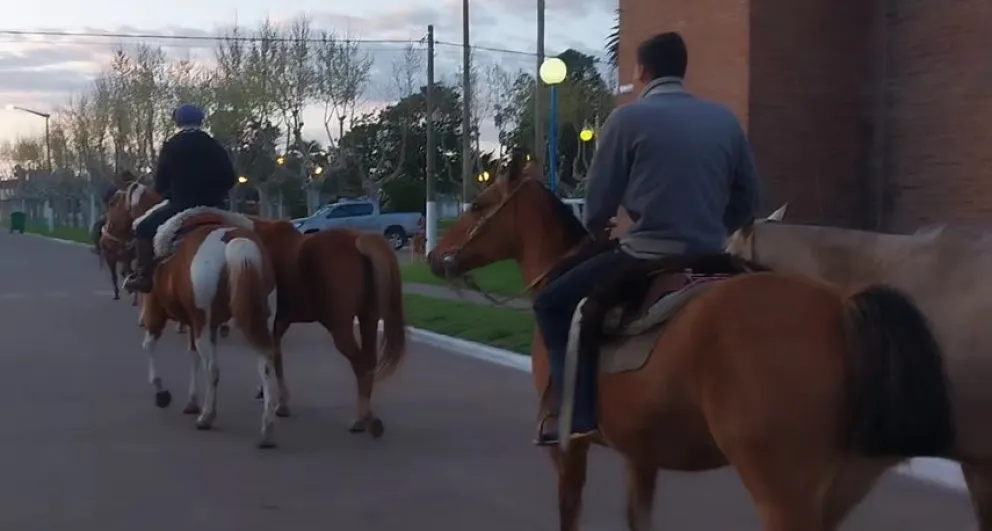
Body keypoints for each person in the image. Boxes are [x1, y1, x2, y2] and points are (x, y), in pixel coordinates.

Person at [532, 32, 762, 446]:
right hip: (713, 252)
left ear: (641, 71)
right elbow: (750, 197)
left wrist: (597, 228)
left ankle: (577, 415)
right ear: (682, 69)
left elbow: (599, 201)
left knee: (551, 303)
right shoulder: (724, 120)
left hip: (647, 253)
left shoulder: (627, 119)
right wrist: (715, 226)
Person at [123, 104, 237, 294]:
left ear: (178, 122)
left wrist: (170, 193)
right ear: (201, 121)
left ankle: (143, 276)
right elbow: (230, 178)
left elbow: (160, 184)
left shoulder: (171, 146)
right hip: (216, 206)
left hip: (182, 206)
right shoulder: (215, 145)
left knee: (142, 228)